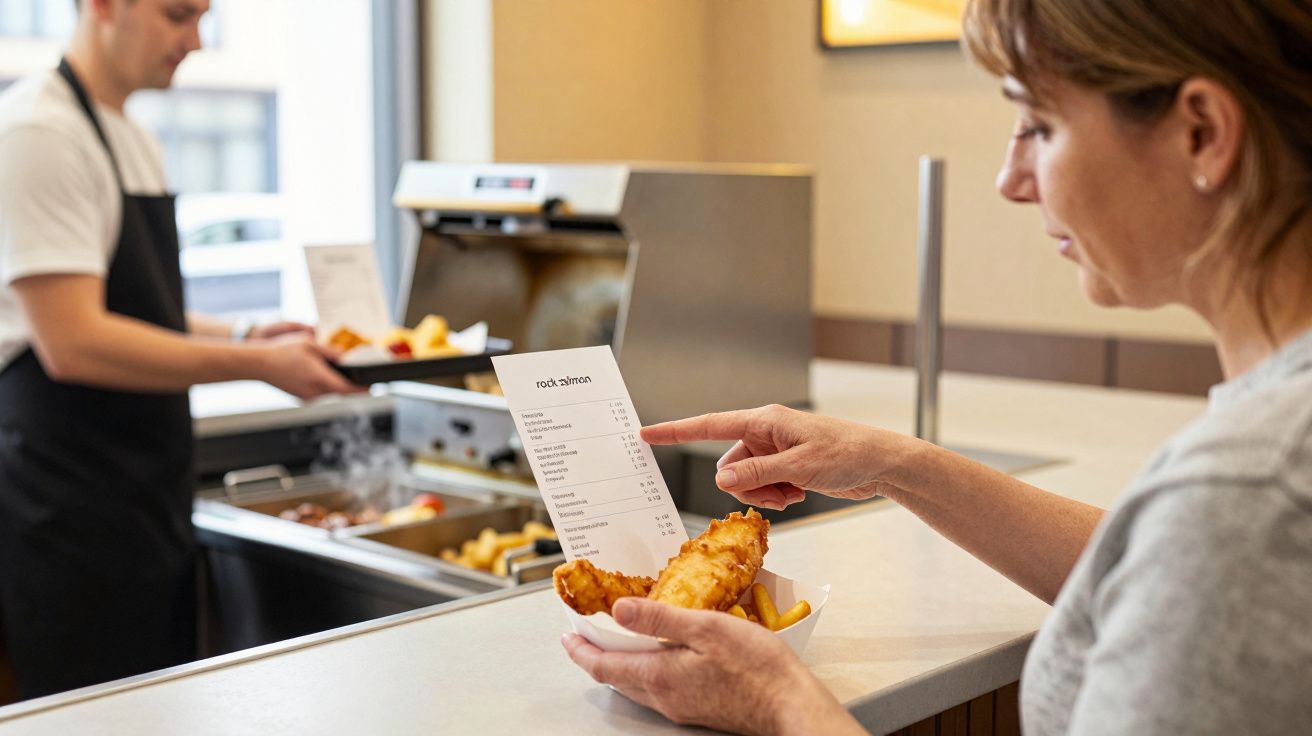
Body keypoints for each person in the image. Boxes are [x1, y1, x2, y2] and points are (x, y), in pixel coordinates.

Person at [562, 0, 1312, 733]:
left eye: (1039, 127)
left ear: (1203, 134)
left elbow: (1212, 544)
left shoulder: (1245, 490)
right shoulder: (1261, 464)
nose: (1012, 179)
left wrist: (782, 704)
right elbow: (1163, 572)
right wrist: (896, 464)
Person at [0, 0, 360, 699]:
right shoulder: (37, 133)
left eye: (202, 17)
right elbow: (74, 341)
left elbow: (140, 310)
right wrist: (259, 366)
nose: (194, 40)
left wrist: (248, 333)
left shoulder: (132, 135)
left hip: (146, 497)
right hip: (65, 512)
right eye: (176, 15)